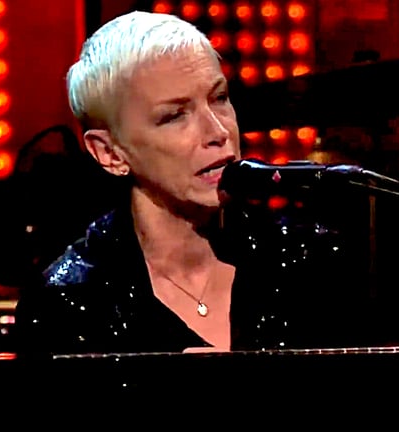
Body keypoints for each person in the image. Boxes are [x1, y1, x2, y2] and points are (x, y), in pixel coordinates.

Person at [13, 10, 243, 357]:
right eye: (174, 116)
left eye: (220, 98)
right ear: (110, 153)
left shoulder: (308, 259)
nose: (219, 131)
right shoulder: (69, 303)